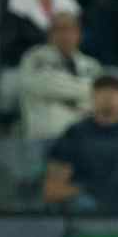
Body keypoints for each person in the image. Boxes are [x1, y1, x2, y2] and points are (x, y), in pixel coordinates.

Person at [42, 71, 118, 211]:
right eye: (102, 90)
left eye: (115, 90)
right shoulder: (75, 134)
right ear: (92, 96)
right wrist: (87, 190)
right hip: (87, 211)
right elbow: (52, 190)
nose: (108, 95)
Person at [18, 11, 101, 141]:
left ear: (79, 34)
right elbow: (49, 86)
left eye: (70, 29)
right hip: (47, 138)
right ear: (49, 34)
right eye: (59, 30)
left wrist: (69, 90)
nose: (65, 35)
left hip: (84, 139)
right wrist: (88, 91)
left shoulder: (91, 65)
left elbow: (100, 96)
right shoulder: (34, 58)